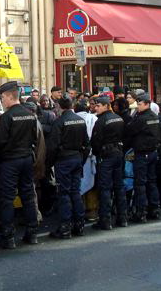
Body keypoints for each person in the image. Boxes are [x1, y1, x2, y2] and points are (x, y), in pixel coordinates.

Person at [0, 81, 39, 248]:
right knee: (27, 195)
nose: (2, 100)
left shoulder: (7, 117)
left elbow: (0, 142)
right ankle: (32, 233)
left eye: (2, 97)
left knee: (7, 198)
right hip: (26, 158)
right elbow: (34, 138)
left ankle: (8, 236)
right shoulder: (30, 114)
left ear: (10, 96)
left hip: (10, 161)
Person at [48, 97, 90, 239]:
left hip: (64, 160)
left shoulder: (59, 122)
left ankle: (65, 227)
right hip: (76, 158)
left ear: (60, 106)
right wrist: (81, 159)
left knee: (64, 194)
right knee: (75, 192)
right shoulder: (80, 120)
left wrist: (50, 163)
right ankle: (79, 224)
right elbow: (87, 144)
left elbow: (53, 146)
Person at [90, 96, 127, 230]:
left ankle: (105, 220)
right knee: (119, 187)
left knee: (105, 188)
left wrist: (97, 152)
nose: (96, 108)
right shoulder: (118, 118)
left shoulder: (101, 121)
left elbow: (96, 141)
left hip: (106, 156)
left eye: (98, 106)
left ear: (106, 106)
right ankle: (122, 217)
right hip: (118, 153)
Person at [124, 94, 161, 222]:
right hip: (152, 152)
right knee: (151, 181)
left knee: (140, 183)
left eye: (140, 104)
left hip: (142, 153)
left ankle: (141, 211)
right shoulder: (155, 117)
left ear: (146, 104)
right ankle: (154, 208)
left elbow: (130, 131)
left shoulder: (141, 118)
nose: (138, 107)